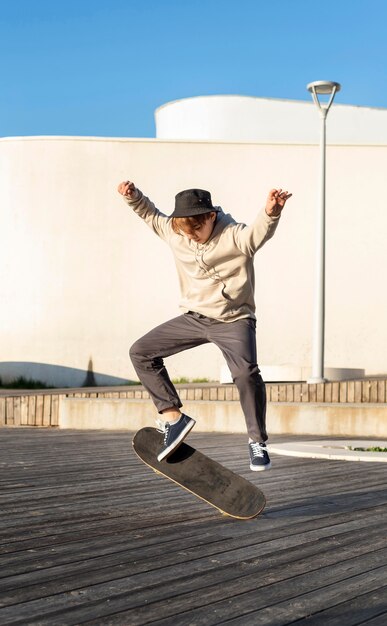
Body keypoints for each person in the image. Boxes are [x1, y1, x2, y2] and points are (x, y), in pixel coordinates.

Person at [117, 181, 292, 470]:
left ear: (210, 217)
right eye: (186, 231)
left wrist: (271, 212)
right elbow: (150, 215)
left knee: (246, 374)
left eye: (196, 230)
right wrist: (132, 197)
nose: (192, 237)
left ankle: (257, 441)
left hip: (234, 319)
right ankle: (173, 417)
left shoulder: (234, 235)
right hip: (194, 317)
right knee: (141, 352)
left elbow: (256, 235)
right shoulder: (177, 232)